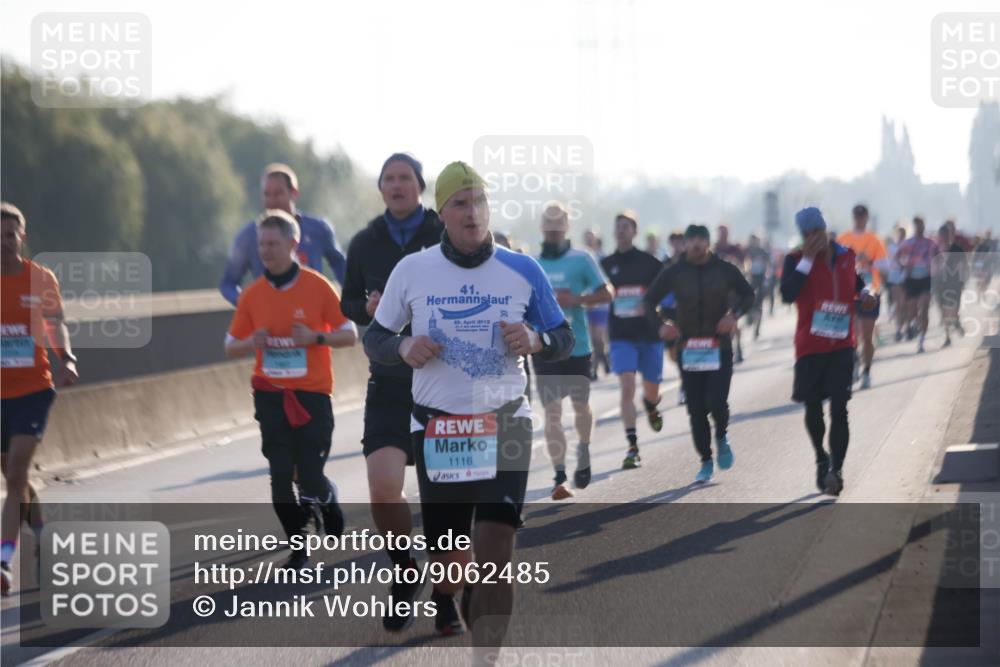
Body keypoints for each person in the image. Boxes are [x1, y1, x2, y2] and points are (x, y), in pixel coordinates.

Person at [363, 162, 573, 648]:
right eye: (460, 203)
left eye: (479, 201)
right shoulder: (412, 270)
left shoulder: (524, 269)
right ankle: (459, 599)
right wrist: (401, 348)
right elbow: (375, 336)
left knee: (497, 549)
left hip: (507, 423)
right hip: (440, 432)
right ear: (442, 214)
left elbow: (563, 335)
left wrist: (536, 339)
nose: (472, 212)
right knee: (453, 565)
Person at [340, 153, 445, 632]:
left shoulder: (444, 232)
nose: (397, 185)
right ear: (380, 188)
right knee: (383, 488)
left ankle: (447, 598)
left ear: (420, 186)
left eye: (406, 178)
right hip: (388, 379)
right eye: (389, 178)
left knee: (442, 499)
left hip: (443, 382)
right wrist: (367, 306)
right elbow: (347, 300)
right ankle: (405, 570)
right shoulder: (365, 242)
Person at [225, 210, 356, 570]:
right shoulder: (252, 295)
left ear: (293, 245)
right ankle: (298, 548)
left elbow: (349, 335)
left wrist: (315, 337)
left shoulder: (318, 286)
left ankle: (326, 498)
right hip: (270, 395)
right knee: (281, 476)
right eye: (261, 244)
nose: (265, 251)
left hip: (313, 395)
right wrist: (253, 340)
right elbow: (230, 345)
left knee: (310, 475)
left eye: (273, 244)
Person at [1, 202, 79, 596]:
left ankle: (4, 561)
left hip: (34, 389)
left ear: (22, 237)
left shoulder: (41, 279)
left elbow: (56, 324)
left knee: (15, 473)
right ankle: (44, 534)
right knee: (15, 477)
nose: (4, 242)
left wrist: (66, 358)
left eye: (10, 234)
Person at [645, 224, 755, 483]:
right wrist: (661, 325)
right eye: (690, 240)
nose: (695, 244)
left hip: (719, 346)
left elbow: (748, 295)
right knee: (695, 408)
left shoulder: (724, 269)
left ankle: (721, 435)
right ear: (684, 244)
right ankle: (705, 460)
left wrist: (733, 315)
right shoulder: (674, 272)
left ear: (708, 243)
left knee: (716, 402)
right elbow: (649, 301)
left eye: (700, 240)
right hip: (689, 348)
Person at [781, 207, 876, 496]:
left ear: (825, 230)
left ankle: (836, 469)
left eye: (817, 232)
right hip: (810, 347)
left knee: (840, 408)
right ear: (803, 236)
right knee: (813, 409)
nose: (814, 238)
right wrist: (807, 261)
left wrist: (866, 294)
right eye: (808, 234)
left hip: (842, 346)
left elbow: (859, 286)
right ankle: (821, 458)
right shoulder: (795, 259)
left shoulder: (846, 256)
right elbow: (787, 294)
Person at [534, 203, 612, 499]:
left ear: (566, 227)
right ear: (542, 227)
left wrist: (575, 299)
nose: (553, 229)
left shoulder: (582, 259)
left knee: (580, 408)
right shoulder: (533, 262)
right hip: (544, 348)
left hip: (578, 347)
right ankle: (560, 477)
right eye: (548, 224)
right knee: (552, 413)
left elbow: (607, 293)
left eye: (558, 224)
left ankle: (585, 448)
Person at [220, 163, 347, 306]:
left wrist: (353, 299)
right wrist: (246, 303)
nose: (272, 200)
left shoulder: (318, 229)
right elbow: (228, 283)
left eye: (278, 193)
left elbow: (341, 266)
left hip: (312, 317)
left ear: (294, 193)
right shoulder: (248, 236)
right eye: (267, 194)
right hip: (270, 317)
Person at [600, 211, 666, 469]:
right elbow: (595, 293)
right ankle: (632, 446)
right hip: (621, 336)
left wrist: (655, 311)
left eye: (626, 227)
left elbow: (666, 293)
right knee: (627, 386)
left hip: (649, 335)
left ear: (635, 231)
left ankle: (651, 406)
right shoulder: (605, 265)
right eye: (618, 227)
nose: (621, 231)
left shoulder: (650, 263)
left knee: (651, 390)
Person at [837, 204, 889, 388]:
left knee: (867, 337)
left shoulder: (875, 240)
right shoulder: (842, 239)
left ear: (867, 218)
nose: (859, 219)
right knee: (852, 336)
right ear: (853, 217)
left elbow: (883, 268)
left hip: (870, 294)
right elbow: (835, 266)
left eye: (862, 216)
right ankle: (854, 363)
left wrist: (869, 263)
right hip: (849, 294)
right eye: (857, 216)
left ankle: (867, 371)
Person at [897, 216, 939, 353]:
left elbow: (939, 257)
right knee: (913, 310)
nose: (920, 228)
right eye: (917, 225)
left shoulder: (930, 243)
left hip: (925, 278)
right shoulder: (908, 243)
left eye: (921, 225)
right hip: (912, 278)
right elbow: (898, 256)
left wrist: (936, 268)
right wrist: (903, 266)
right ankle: (913, 324)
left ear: (924, 226)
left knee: (925, 307)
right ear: (914, 227)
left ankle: (921, 340)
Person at [715, 224, 746, 362]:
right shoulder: (714, 249)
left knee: (734, 321)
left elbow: (743, 266)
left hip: (733, 291)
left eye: (725, 232)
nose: (722, 235)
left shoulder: (735, 249)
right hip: (718, 291)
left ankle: (737, 346)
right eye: (720, 232)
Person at [935, 222, 968, 348]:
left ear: (950, 235)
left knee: (953, 310)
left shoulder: (958, 249)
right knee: (943, 312)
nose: (944, 237)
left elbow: (964, 266)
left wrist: (963, 280)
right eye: (942, 235)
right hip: (940, 285)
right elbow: (932, 267)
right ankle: (948, 336)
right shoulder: (936, 249)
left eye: (946, 234)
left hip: (955, 284)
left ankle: (956, 321)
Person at [583, 231, 611, 379]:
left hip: (601, 305)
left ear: (596, 240)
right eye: (586, 239)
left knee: (598, 338)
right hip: (586, 304)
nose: (588, 241)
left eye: (590, 239)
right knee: (591, 339)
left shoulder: (602, 258)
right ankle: (595, 367)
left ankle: (603, 359)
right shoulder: (581, 258)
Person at [744, 234, 771, 340]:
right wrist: (747, 271)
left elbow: (768, 264)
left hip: (761, 280)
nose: (753, 242)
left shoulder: (762, 251)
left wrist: (767, 277)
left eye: (755, 240)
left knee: (759, 306)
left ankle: (757, 329)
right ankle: (749, 318)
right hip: (751, 280)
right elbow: (745, 263)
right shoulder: (748, 251)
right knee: (748, 302)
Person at [886, 225, 908, 341]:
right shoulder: (892, 247)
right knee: (897, 304)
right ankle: (898, 329)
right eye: (899, 233)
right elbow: (889, 262)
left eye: (903, 233)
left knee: (904, 304)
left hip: (905, 277)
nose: (901, 235)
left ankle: (905, 326)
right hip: (894, 277)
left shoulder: (908, 246)